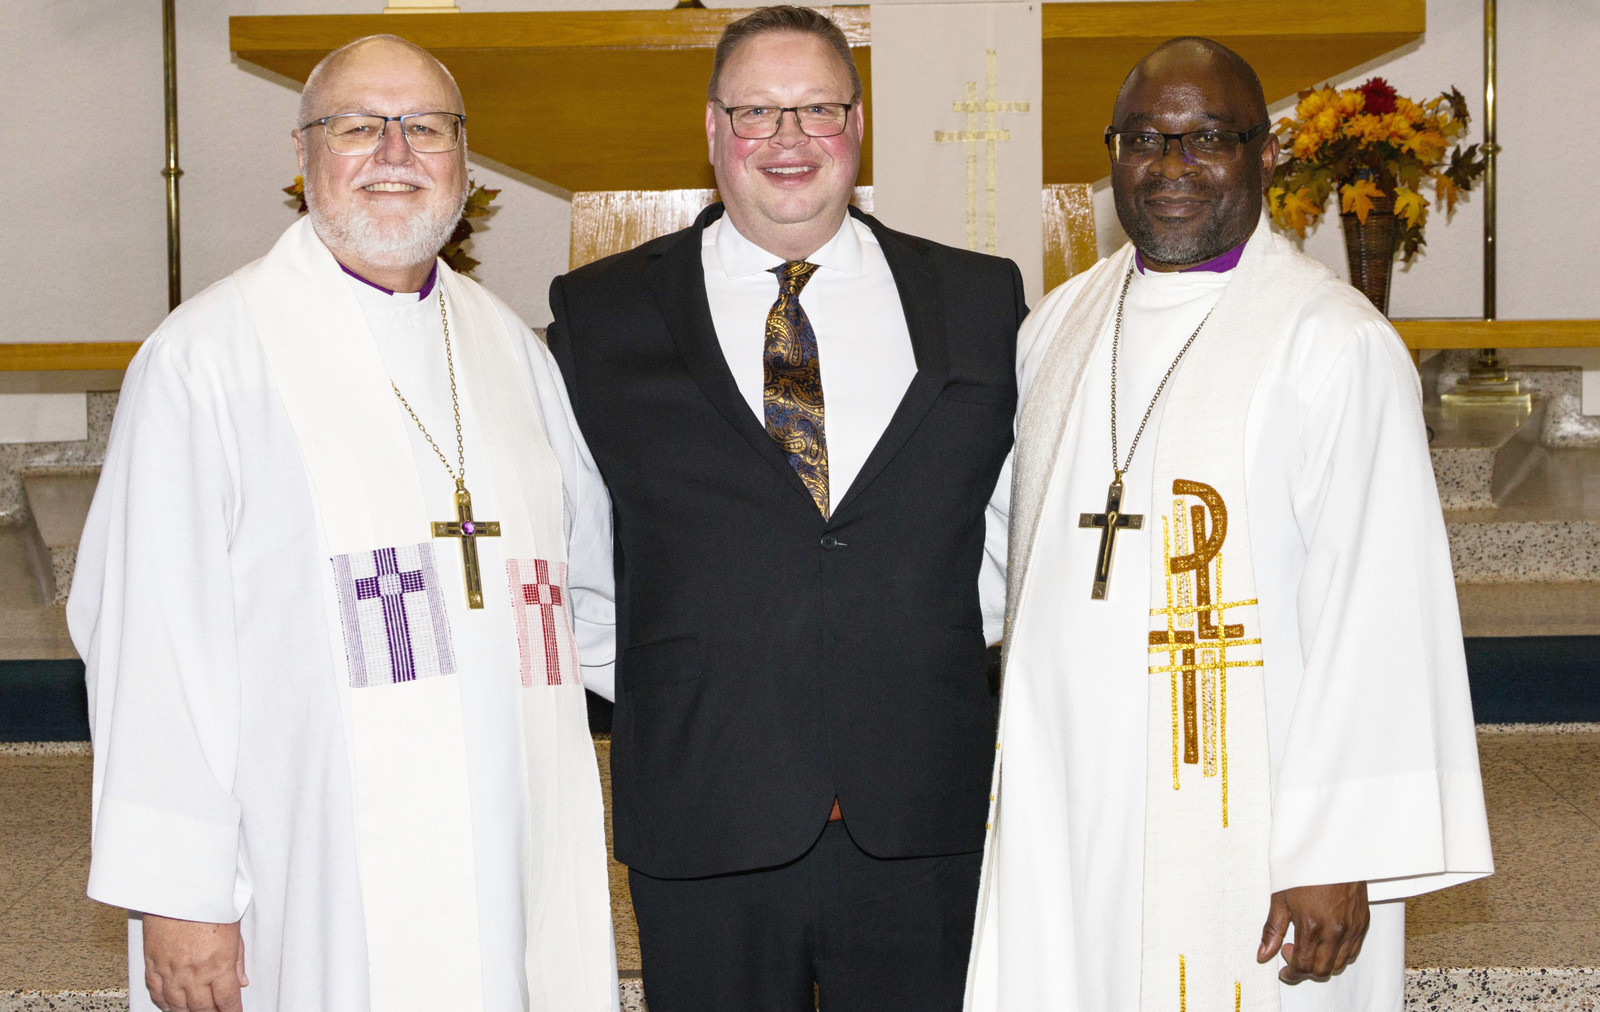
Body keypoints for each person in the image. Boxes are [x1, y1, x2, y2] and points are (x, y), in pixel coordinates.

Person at [69, 35, 618, 1012]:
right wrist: (178, 893)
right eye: (359, 126)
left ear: (463, 158)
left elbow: (593, 593)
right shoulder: (209, 359)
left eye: (427, 128)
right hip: (316, 862)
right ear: (303, 154)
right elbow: (149, 644)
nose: (395, 152)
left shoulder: (512, 350)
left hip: (518, 836)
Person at [966, 37, 1492, 1012]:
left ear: (1266, 155)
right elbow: (1005, 557)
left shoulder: (1331, 343)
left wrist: (1340, 848)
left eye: (1207, 139)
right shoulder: (1058, 325)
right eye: (1145, 140)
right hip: (1064, 801)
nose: (1170, 168)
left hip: (1247, 820)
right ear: (1112, 154)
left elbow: (1378, 606)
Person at [546, 6, 1024, 1009]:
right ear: (712, 128)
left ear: (859, 124)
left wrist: (909, 656)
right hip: (707, 809)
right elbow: (576, 552)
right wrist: (686, 696)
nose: (790, 140)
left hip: (920, 811)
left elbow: (1011, 524)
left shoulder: (979, 300)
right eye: (757, 112)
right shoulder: (601, 315)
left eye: (817, 109)